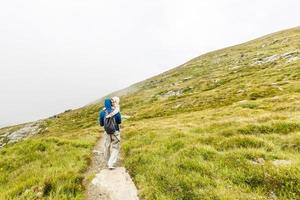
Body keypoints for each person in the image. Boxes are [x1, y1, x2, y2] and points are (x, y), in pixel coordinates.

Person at [99, 98, 122, 169]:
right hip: (115, 131)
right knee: (115, 147)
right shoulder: (116, 111)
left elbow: (101, 124)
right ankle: (111, 163)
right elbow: (119, 122)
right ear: (111, 103)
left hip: (107, 132)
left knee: (107, 147)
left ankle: (108, 161)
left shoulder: (102, 112)